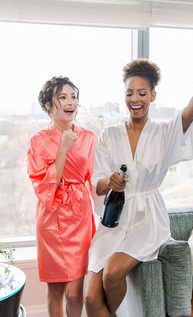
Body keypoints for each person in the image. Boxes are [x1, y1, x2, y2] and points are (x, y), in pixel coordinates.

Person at [84, 51, 193, 317]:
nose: (135, 99)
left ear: (152, 96)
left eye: (142, 93)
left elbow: (190, 110)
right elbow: (97, 183)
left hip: (147, 221)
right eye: (129, 93)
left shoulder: (163, 133)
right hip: (115, 220)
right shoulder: (109, 134)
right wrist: (111, 182)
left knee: (113, 273)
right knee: (90, 298)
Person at [27, 76, 97, 317]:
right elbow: (44, 186)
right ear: (48, 105)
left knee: (76, 293)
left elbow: (93, 177)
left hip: (80, 217)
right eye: (62, 97)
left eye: (74, 97)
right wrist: (63, 147)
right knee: (56, 291)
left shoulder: (88, 137)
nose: (70, 103)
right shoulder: (38, 141)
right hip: (52, 220)